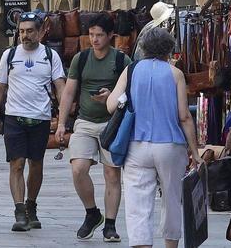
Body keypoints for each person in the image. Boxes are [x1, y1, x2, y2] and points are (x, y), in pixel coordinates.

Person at [105, 27, 200, 248]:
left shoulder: (131, 70)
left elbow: (111, 105)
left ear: (143, 48)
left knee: (137, 203)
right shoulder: (175, 74)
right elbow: (184, 116)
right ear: (169, 49)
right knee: (172, 199)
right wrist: (195, 151)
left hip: (136, 146)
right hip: (170, 145)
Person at [55, 14, 129, 242]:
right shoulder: (81, 58)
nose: (94, 39)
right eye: (91, 35)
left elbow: (130, 93)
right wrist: (60, 123)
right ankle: (92, 213)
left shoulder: (121, 61)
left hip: (112, 123)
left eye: (99, 35)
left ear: (110, 36)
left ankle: (110, 225)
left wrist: (113, 97)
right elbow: (68, 92)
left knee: (111, 174)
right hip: (85, 122)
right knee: (78, 168)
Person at [0, 11, 66, 233]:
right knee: (17, 164)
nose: (25, 36)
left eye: (30, 31)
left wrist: (62, 120)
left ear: (41, 32)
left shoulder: (51, 56)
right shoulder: (9, 55)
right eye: (22, 31)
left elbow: (61, 88)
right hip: (14, 117)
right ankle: (19, 210)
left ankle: (31, 205)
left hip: (40, 118)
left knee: (36, 165)